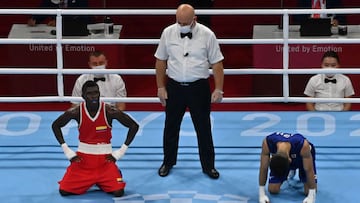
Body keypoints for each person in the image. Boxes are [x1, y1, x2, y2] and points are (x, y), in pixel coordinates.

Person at [154, 4, 224, 179]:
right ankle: (168, 162)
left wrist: (219, 88)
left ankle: (209, 166)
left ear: (195, 19)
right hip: (175, 86)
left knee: (204, 128)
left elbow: (217, 63)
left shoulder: (208, 35)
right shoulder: (168, 32)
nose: (182, 25)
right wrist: (161, 87)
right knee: (170, 126)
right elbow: (160, 61)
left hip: (198, 87)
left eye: (185, 22)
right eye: (179, 22)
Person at [52, 80, 139, 197]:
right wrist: (67, 151)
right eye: (90, 93)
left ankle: (112, 173)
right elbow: (56, 125)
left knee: (119, 192)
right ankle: (96, 180)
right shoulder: (76, 112)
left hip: (105, 161)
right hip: (83, 161)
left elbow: (134, 126)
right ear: (83, 96)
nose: (94, 96)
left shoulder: (109, 111)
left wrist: (120, 152)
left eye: (96, 93)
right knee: (64, 190)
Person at [258, 132, 317, 203]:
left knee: (308, 191)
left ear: (290, 160)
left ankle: (294, 169)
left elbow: (309, 170)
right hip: (282, 160)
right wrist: (261, 194)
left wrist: (311, 195)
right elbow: (263, 168)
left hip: (303, 157)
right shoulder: (267, 143)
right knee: (273, 189)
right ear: (272, 157)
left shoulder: (303, 145)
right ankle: (290, 171)